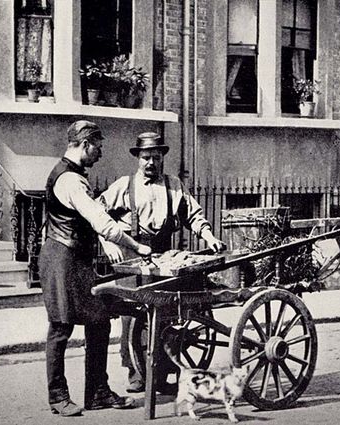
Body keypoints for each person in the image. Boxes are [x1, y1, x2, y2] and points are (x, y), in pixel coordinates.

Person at [97, 131, 226, 394]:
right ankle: (136, 373)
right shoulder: (124, 186)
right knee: (132, 318)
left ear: (162, 158)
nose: (150, 163)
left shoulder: (174, 185)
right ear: (138, 158)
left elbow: (193, 215)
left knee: (166, 315)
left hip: (165, 258)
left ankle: (164, 373)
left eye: (155, 157)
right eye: (146, 157)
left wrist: (210, 237)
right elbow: (97, 213)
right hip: (131, 258)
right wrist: (108, 244)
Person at [38, 120, 152, 417]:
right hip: (62, 260)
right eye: (98, 147)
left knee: (99, 320)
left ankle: (98, 391)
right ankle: (58, 396)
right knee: (60, 328)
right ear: (85, 144)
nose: (100, 154)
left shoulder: (71, 174)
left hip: (75, 259)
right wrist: (137, 247)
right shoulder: (70, 180)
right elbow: (101, 222)